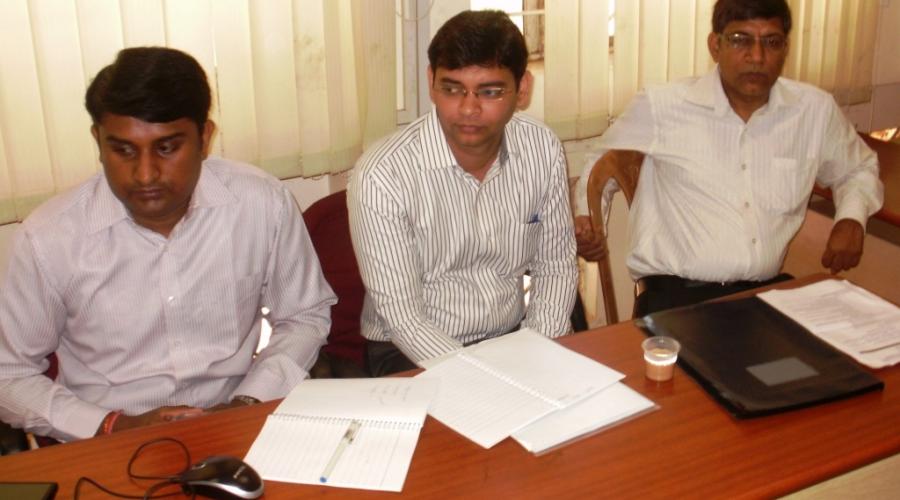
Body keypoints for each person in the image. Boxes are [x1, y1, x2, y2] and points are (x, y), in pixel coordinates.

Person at [0, 47, 337, 442]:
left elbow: (304, 316)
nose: (145, 174)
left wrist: (248, 402)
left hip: (238, 421)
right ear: (98, 140)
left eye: (167, 147)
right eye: (122, 150)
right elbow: (10, 373)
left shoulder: (262, 204)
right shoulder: (49, 238)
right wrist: (114, 426)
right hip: (106, 437)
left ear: (204, 138)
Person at [573, 0, 882, 317]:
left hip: (765, 295)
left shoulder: (813, 110)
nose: (757, 57)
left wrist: (851, 218)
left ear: (786, 48)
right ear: (715, 45)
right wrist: (587, 222)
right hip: (677, 302)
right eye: (741, 40)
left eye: (771, 42)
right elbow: (598, 162)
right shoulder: (664, 105)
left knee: (828, 364)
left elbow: (859, 168)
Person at [348, 10, 578, 376]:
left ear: (522, 89)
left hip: (514, 337)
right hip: (411, 351)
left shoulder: (542, 147)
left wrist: (537, 350)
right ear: (431, 82)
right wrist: (486, 379)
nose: (469, 109)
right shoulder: (382, 175)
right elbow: (405, 318)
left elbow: (555, 266)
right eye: (452, 89)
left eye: (490, 91)